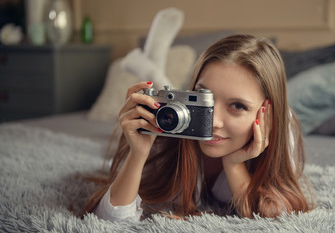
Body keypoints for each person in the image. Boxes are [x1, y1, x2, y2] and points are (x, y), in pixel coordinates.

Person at [83, 34, 312, 221]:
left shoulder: (281, 129)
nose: (214, 122)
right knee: (163, 95)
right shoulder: (166, 129)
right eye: (205, 97)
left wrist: (234, 164)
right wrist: (138, 154)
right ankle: (156, 74)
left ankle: (153, 68)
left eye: (237, 106)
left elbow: (273, 219)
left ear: (267, 113)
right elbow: (107, 222)